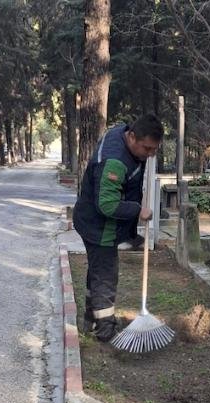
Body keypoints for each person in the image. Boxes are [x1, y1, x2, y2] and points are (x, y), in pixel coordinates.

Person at [73, 114, 164, 342]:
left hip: (97, 222)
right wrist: (137, 210)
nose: (150, 154)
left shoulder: (123, 134)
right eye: (147, 148)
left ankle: (90, 321)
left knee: (97, 272)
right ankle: (105, 330)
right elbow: (107, 204)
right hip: (98, 226)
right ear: (131, 137)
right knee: (105, 275)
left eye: (154, 150)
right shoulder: (114, 160)